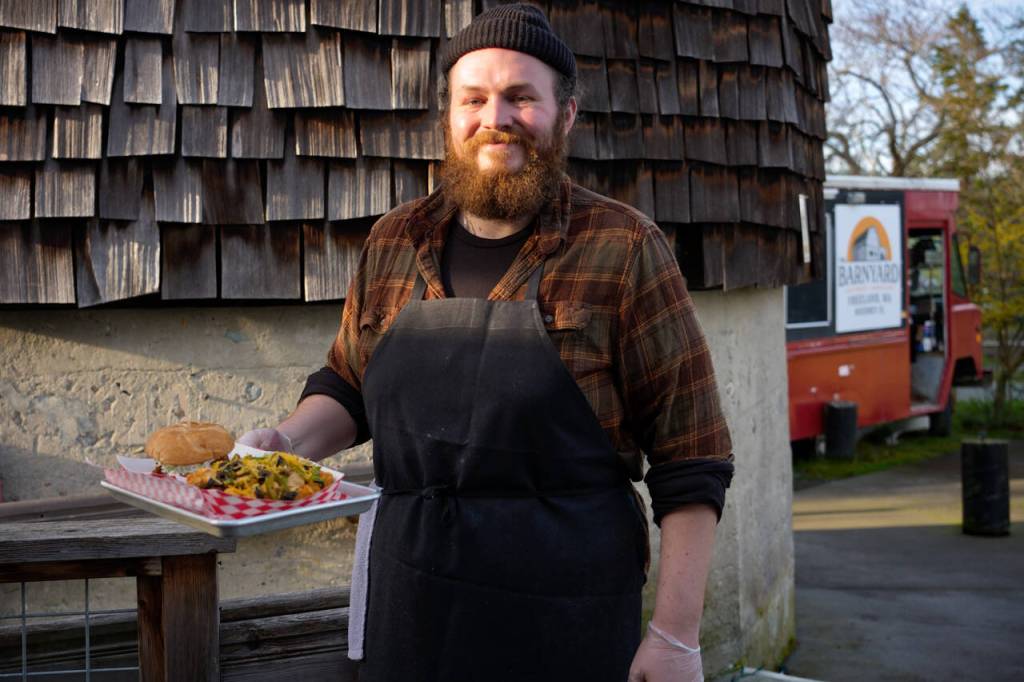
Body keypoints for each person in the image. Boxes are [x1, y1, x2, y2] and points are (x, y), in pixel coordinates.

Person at [240, 5, 733, 681]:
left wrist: (676, 636)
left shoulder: (623, 247)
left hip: (565, 619)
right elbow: (349, 382)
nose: (494, 117)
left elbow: (692, 454)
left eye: (521, 98)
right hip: (411, 607)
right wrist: (288, 443)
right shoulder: (394, 240)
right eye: (473, 98)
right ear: (449, 116)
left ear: (566, 115)